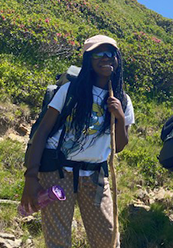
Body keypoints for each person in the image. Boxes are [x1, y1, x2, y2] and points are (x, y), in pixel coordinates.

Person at [21, 35, 135, 248]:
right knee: (58, 239)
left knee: (108, 238)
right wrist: (31, 176)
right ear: (88, 59)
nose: (106, 58)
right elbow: (43, 131)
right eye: (98, 54)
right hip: (57, 172)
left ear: (117, 58)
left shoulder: (123, 100)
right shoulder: (70, 91)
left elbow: (119, 146)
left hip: (95, 174)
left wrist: (119, 116)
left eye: (111, 53)